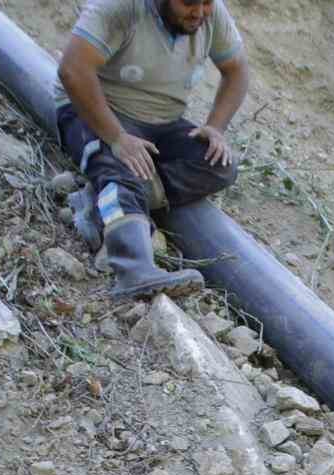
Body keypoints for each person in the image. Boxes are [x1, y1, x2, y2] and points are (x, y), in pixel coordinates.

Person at [52, 0, 252, 299]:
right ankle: (134, 269)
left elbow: (237, 70)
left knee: (218, 165)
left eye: (207, 3)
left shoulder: (211, 13)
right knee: (117, 168)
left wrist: (215, 127)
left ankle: (99, 203)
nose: (198, 12)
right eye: (187, 2)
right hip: (100, 111)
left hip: (162, 121)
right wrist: (117, 137)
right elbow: (73, 69)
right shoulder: (121, 8)